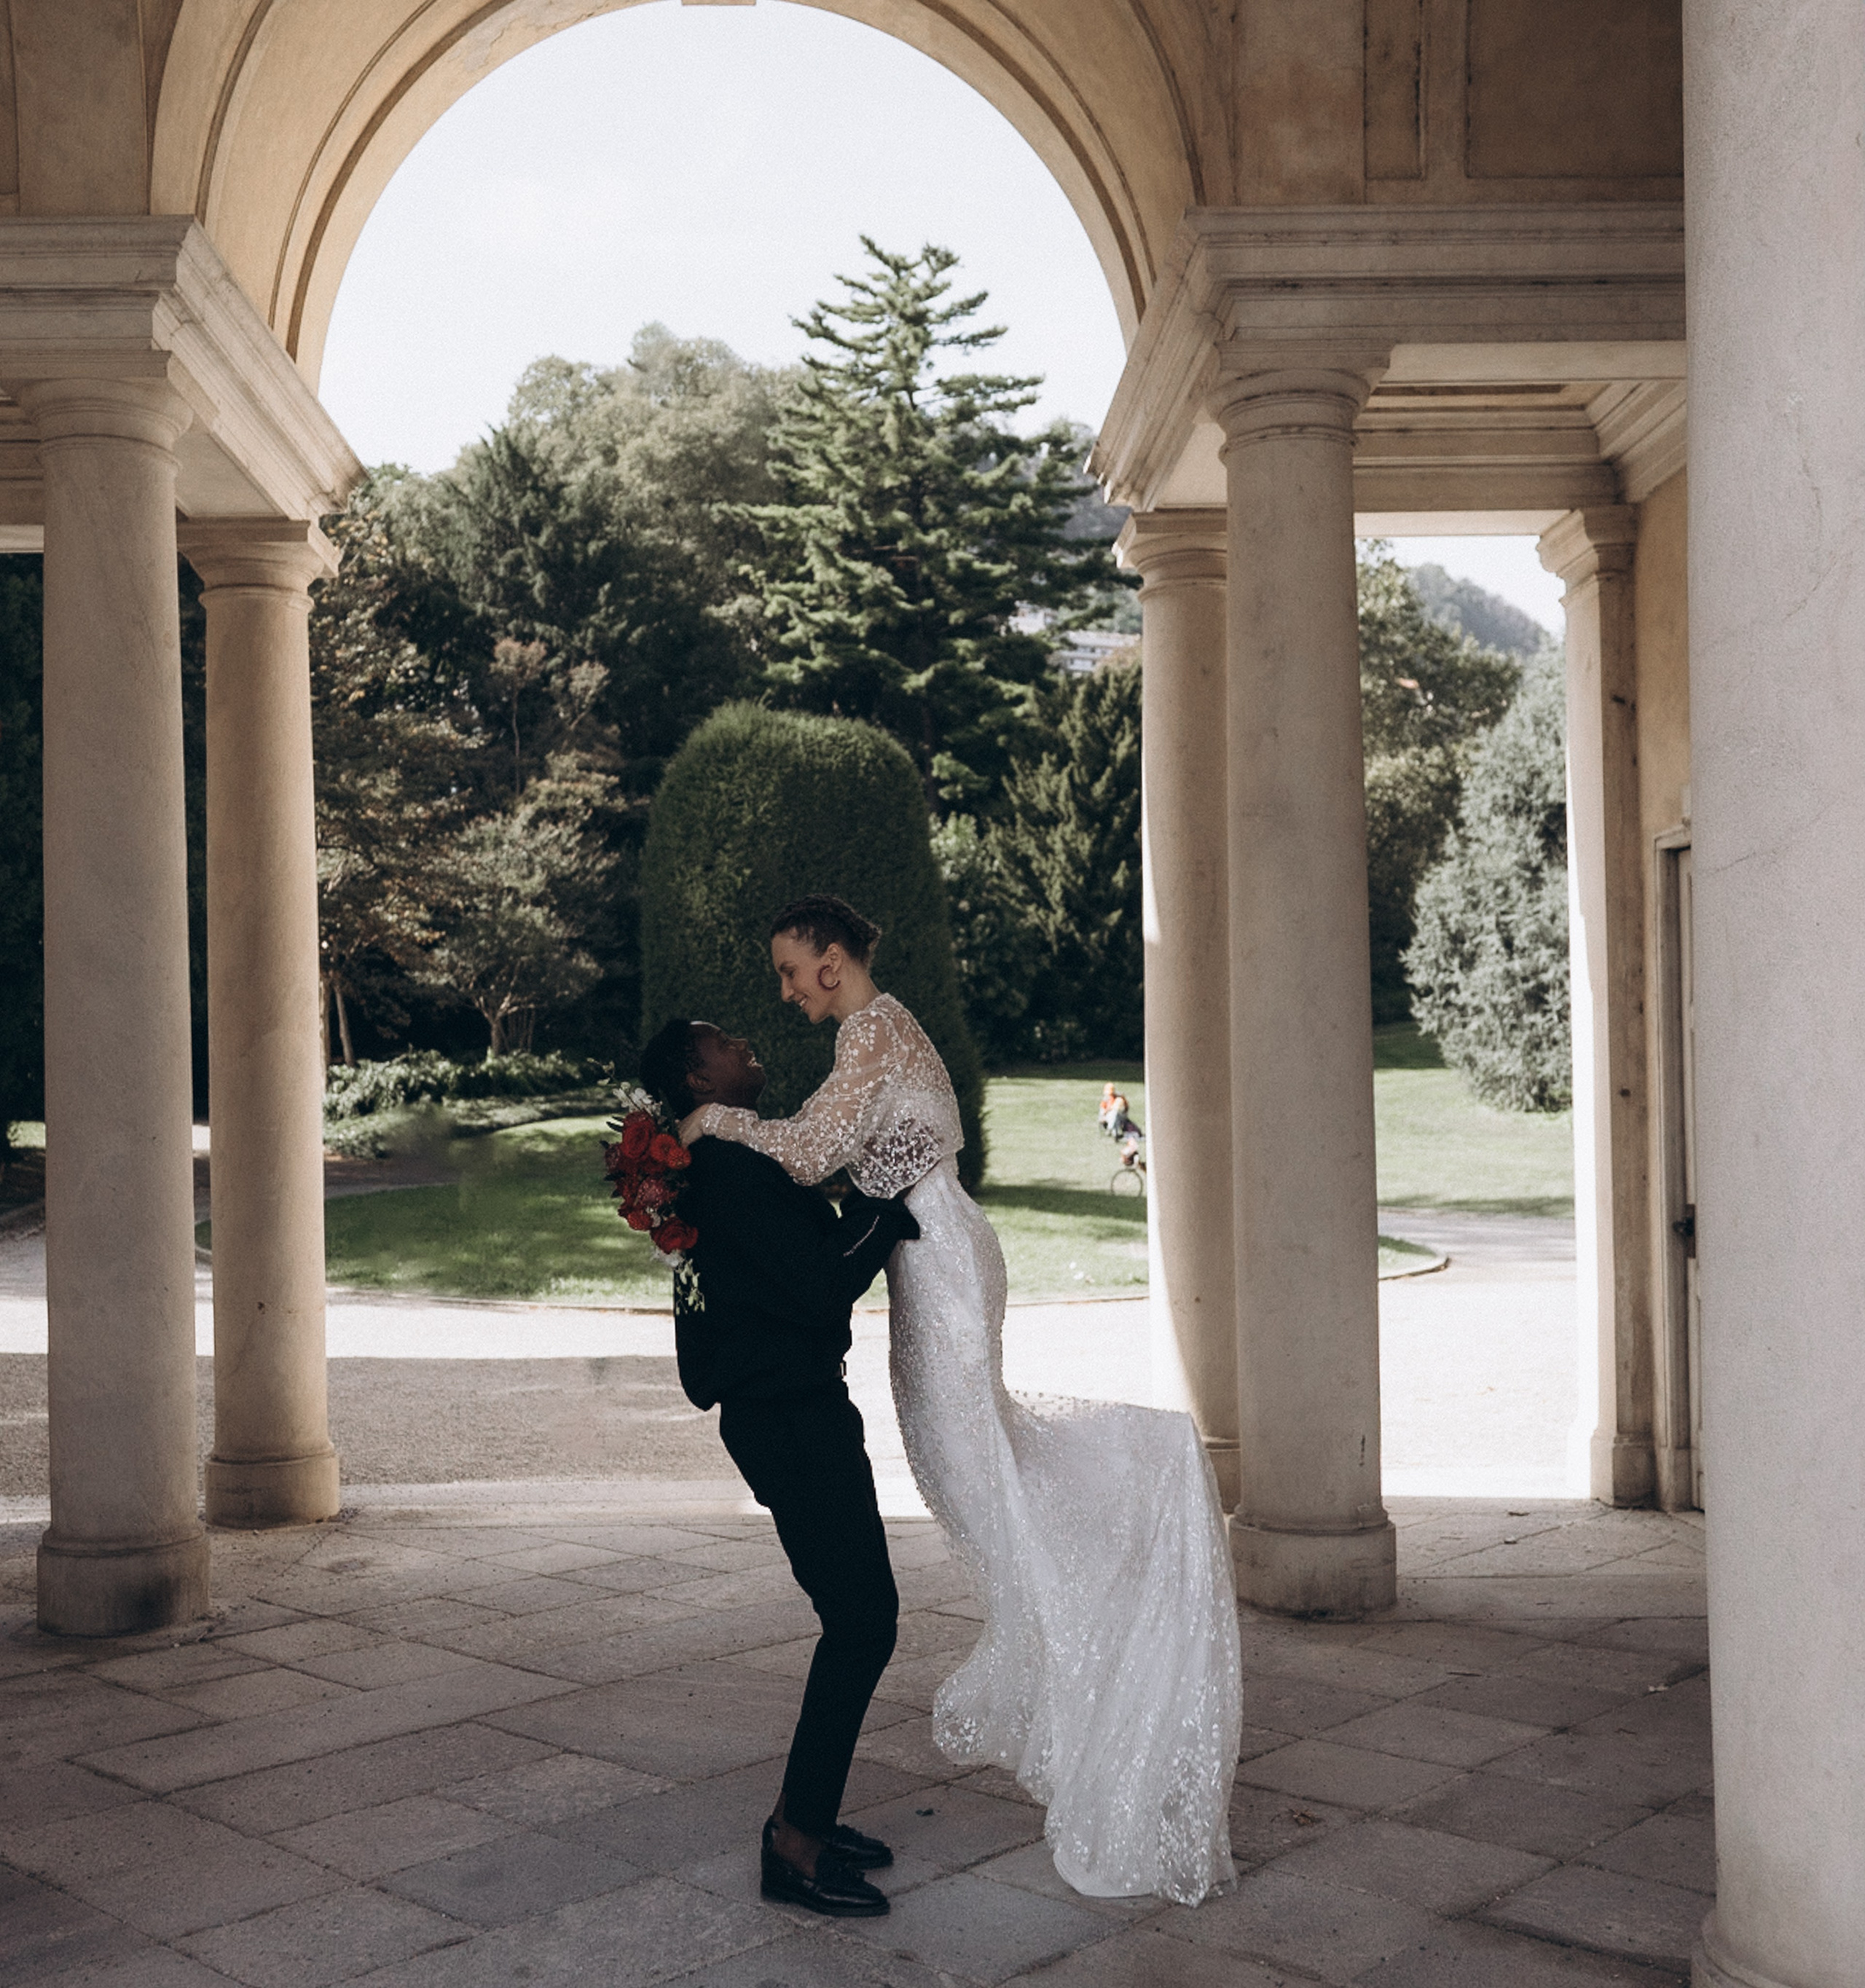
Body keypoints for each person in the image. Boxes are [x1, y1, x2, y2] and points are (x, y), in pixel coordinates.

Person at [679, 895, 1241, 1906]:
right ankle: (1073, 1644)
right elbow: (828, 1156)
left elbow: (809, 1154)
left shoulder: (873, 1028)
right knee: (981, 1477)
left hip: (937, 1270)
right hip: (933, 1260)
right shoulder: (871, 1030)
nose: (780, 989)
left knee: (989, 1483)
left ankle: (1125, 1539)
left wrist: (711, 1119)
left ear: (835, 961)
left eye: (789, 968)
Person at [638, 1015, 922, 1920]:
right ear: (698, 1074)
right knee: (863, 1618)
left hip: (790, 1411)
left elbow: (742, 1313)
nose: (743, 1038)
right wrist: (886, 1209)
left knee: (857, 1614)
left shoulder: (719, 1163)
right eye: (725, 1038)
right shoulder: (723, 1169)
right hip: (790, 1420)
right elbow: (820, 1282)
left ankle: (808, 1818)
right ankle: (794, 1844)